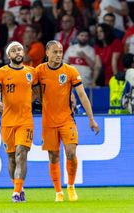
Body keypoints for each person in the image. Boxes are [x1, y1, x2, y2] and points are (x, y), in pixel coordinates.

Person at [35, 40, 99, 202]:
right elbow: (29, 91)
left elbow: (82, 95)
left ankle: (70, 186)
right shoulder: (39, 71)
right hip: (48, 121)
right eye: (55, 52)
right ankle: (58, 192)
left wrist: (91, 119)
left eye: (60, 52)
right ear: (47, 53)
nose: (58, 55)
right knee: (53, 157)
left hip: (67, 120)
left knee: (71, 152)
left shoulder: (70, 71)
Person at [0, 41, 37, 202]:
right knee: (11, 157)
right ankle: (19, 187)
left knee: (21, 154)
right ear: (8, 55)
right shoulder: (1, 72)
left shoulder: (31, 72)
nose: (18, 52)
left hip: (25, 121)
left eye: (20, 50)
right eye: (14, 50)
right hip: (8, 121)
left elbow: (38, 93)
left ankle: (16, 193)